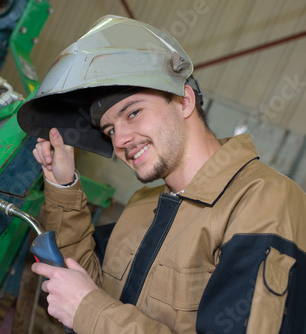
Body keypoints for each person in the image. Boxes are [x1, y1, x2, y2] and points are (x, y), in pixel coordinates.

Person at [17, 15, 306, 333]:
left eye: (133, 112)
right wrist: (62, 184)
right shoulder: (144, 204)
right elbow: (87, 285)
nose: (120, 140)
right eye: (110, 129)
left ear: (184, 101)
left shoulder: (264, 200)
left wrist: (89, 311)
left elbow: (91, 307)